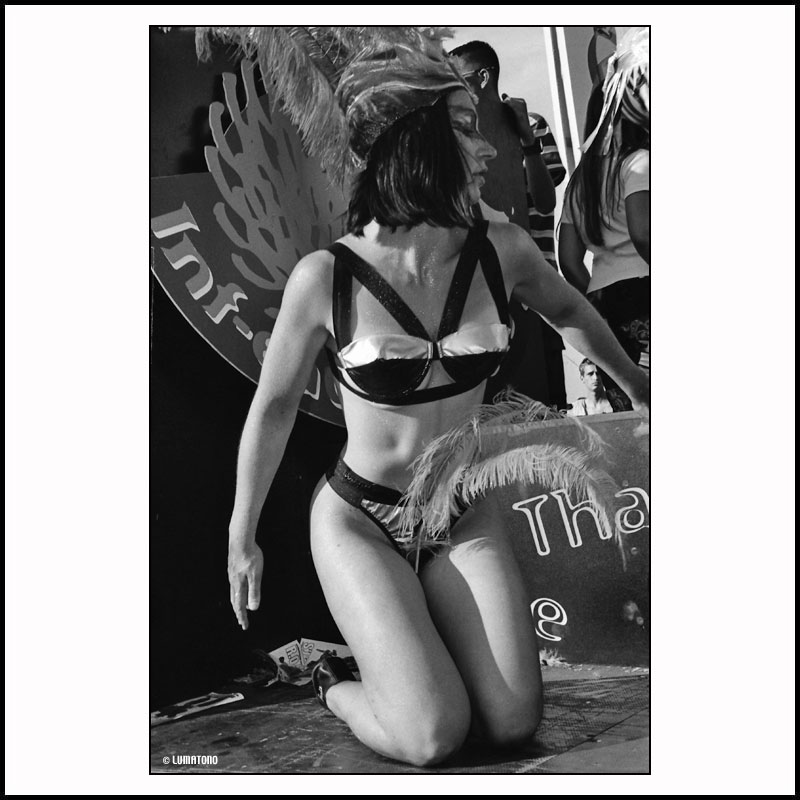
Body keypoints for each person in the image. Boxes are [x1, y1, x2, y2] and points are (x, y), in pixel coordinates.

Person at [203, 26, 649, 768]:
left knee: (510, 723)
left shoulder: (500, 250)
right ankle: (333, 680)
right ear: (415, 142)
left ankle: (415, 670)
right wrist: (240, 537)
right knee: (431, 735)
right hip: (360, 521)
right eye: (465, 127)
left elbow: (570, 309)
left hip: (460, 510)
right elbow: (274, 408)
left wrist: (641, 388)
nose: (485, 148)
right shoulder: (326, 277)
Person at [450, 40, 567, 409]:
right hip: (482, 295)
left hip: (538, 289)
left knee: (543, 409)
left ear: (483, 78)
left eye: (459, 77)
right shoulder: (455, 132)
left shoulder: (529, 122)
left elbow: (546, 201)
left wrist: (528, 142)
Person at [558, 28, 650, 408]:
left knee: (630, 411)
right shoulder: (639, 162)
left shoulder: (580, 180)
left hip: (603, 301)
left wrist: (598, 295)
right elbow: (643, 233)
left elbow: (568, 259)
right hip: (644, 293)